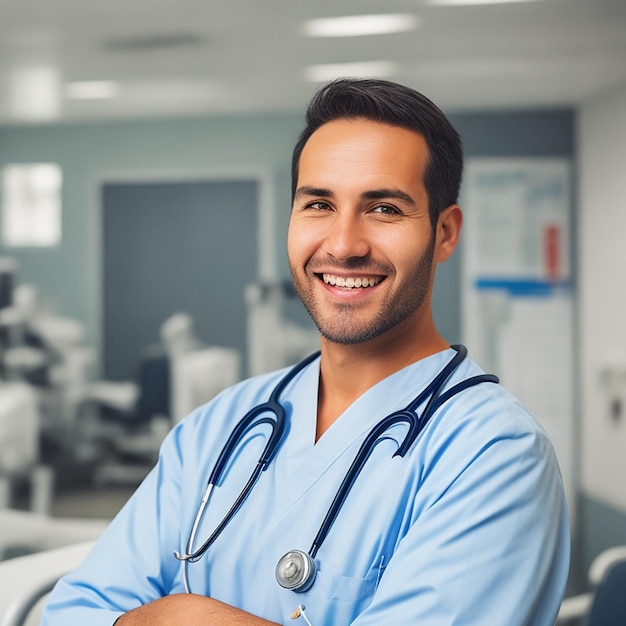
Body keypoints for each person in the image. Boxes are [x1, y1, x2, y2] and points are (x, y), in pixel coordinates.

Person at [42, 78, 570, 625]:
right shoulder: (219, 429)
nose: (343, 245)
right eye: (319, 203)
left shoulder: (494, 454)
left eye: (384, 208)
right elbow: (73, 612)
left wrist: (182, 616)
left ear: (444, 232)